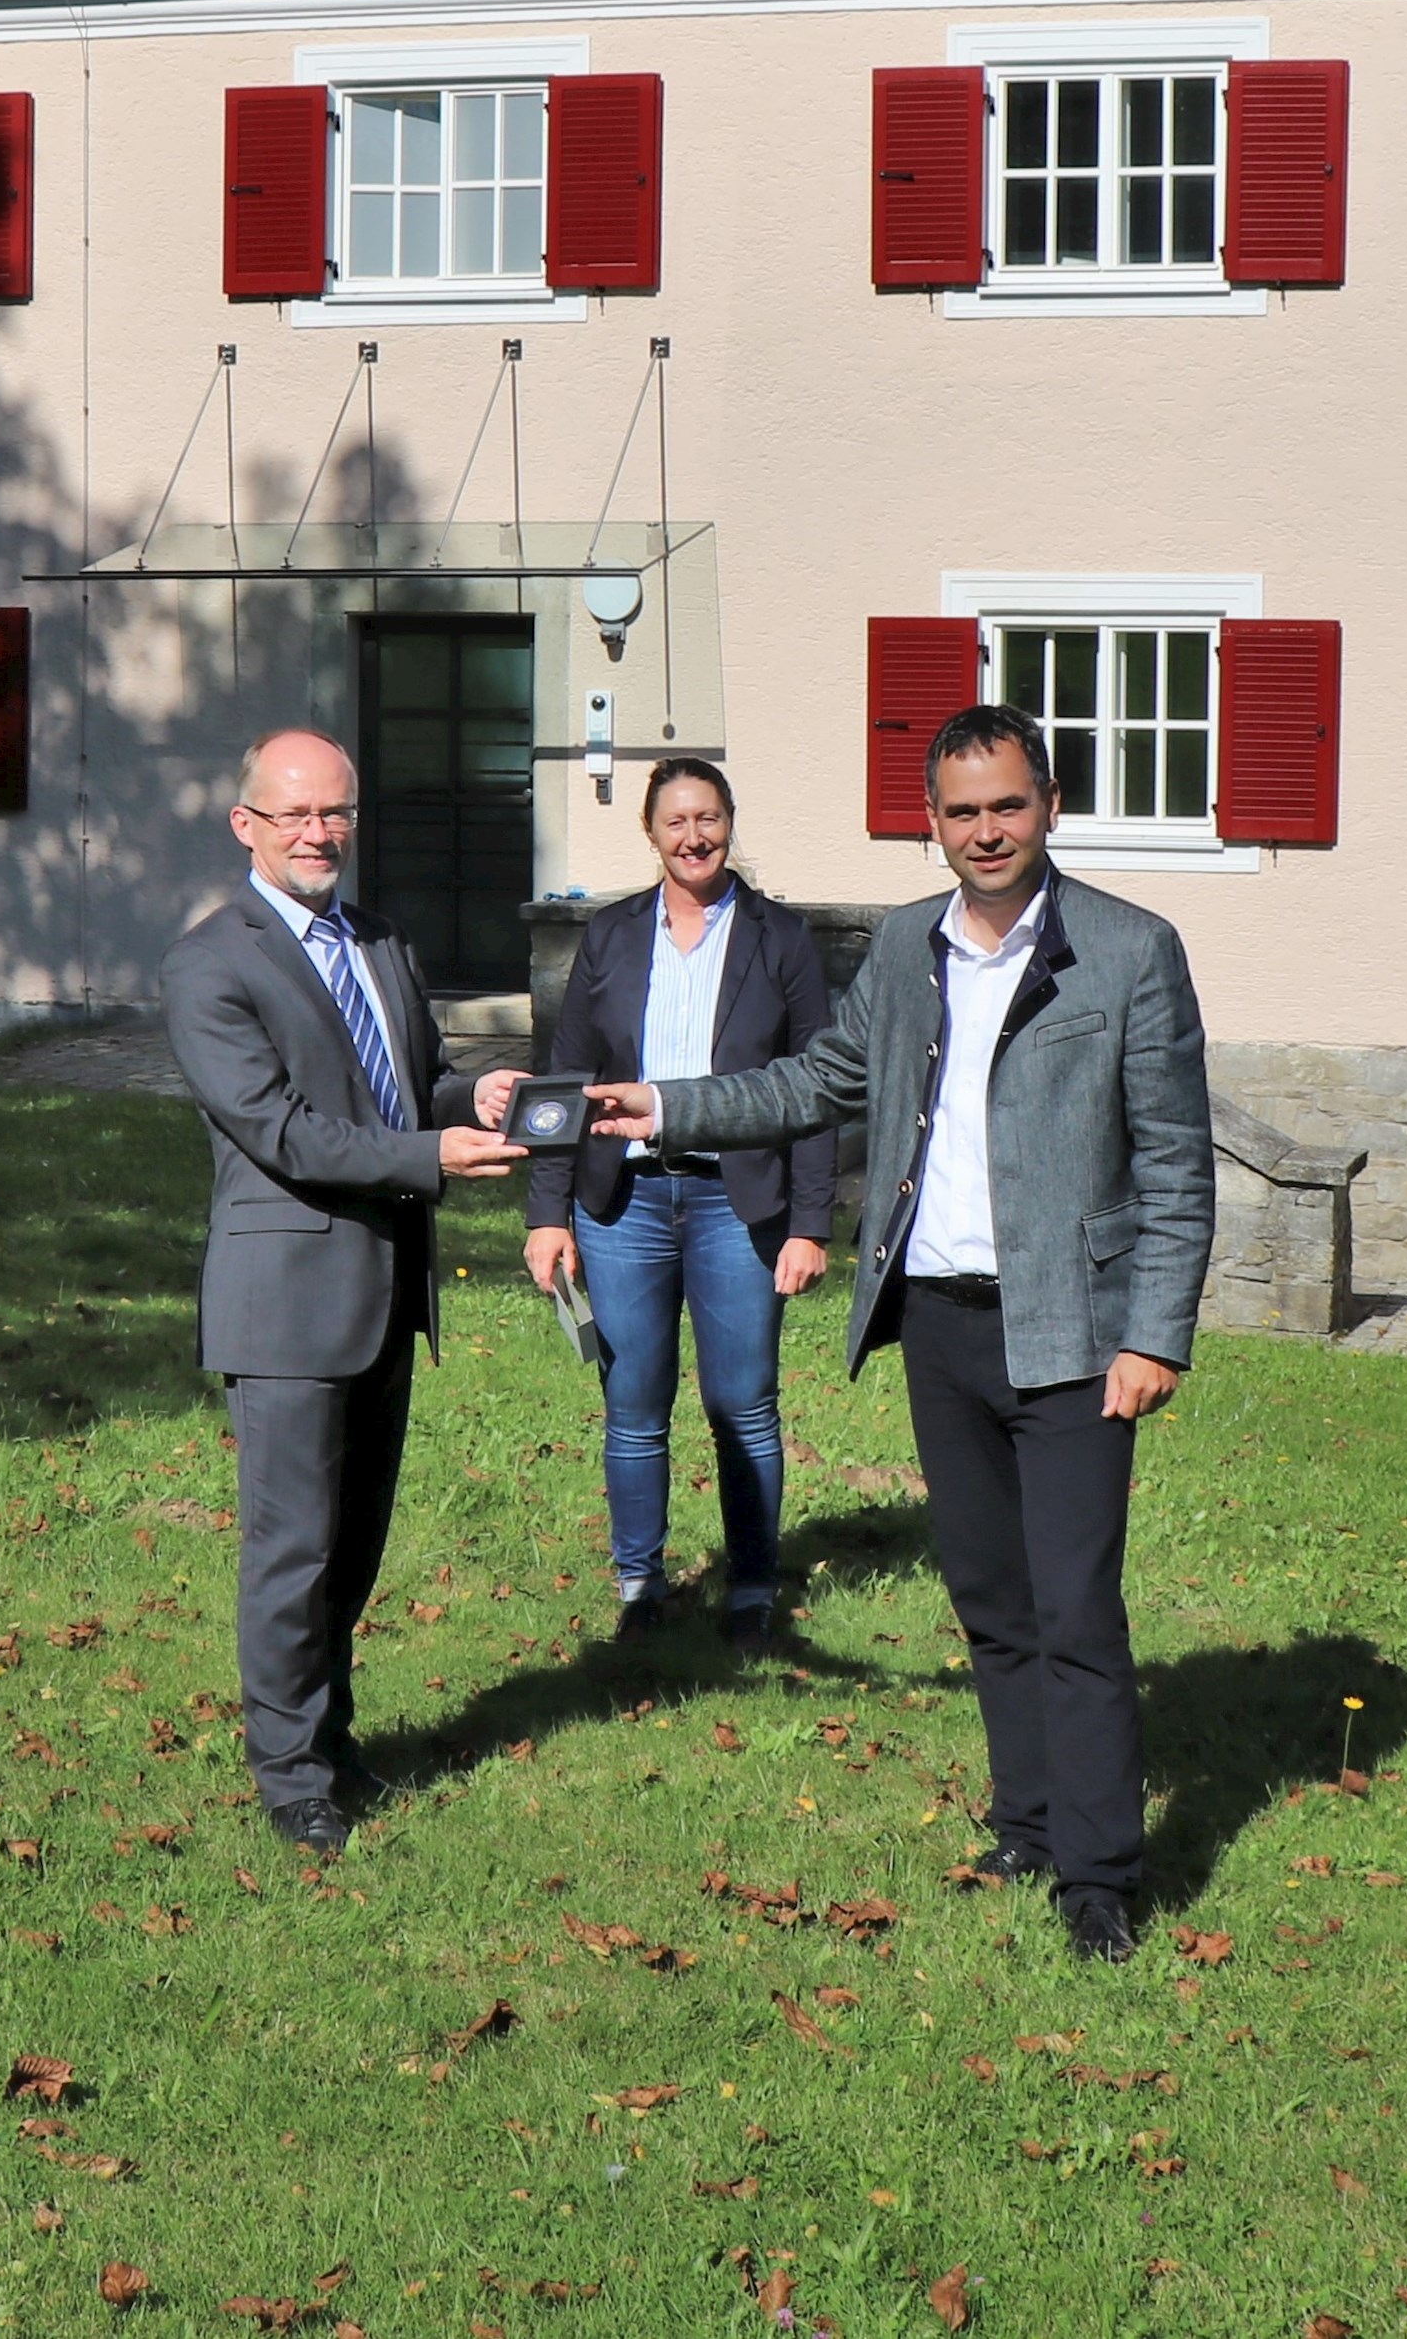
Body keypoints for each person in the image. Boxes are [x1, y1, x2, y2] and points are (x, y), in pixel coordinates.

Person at [586, 704, 1214, 1960]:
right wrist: (666, 1103)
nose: (986, 830)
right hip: (939, 1319)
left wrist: (1157, 1334)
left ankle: (1099, 1877)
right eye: (961, 811)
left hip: (1076, 1335)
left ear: (1048, 806)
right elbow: (811, 1081)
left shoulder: (1129, 950)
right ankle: (1027, 1822)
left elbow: (1176, 1162)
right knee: (987, 1594)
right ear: (932, 826)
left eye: (1008, 804)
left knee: (1077, 1607)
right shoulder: (906, 948)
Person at [159, 727, 526, 1860]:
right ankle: (290, 1777)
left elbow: (401, 1084)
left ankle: (331, 1736)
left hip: (383, 1286)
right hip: (285, 1298)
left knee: (354, 1544)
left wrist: (479, 1091)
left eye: (337, 814)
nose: (320, 834)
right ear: (247, 827)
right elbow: (281, 1129)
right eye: (296, 815)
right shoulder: (212, 964)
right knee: (292, 1549)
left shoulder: (378, 939)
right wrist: (433, 1158)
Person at [520, 758, 836, 1647]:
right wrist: (549, 1213)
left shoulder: (781, 938)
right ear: (652, 834)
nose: (694, 836)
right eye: (676, 822)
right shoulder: (613, 935)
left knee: (743, 1403)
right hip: (623, 1205)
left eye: (709, 818)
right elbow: (563, 1080)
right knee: (634, 1404)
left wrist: (809, 1223)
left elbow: (816, 1088)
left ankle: (751, 1589)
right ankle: (640, 1586)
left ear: (731, 820)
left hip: (741, 1205)